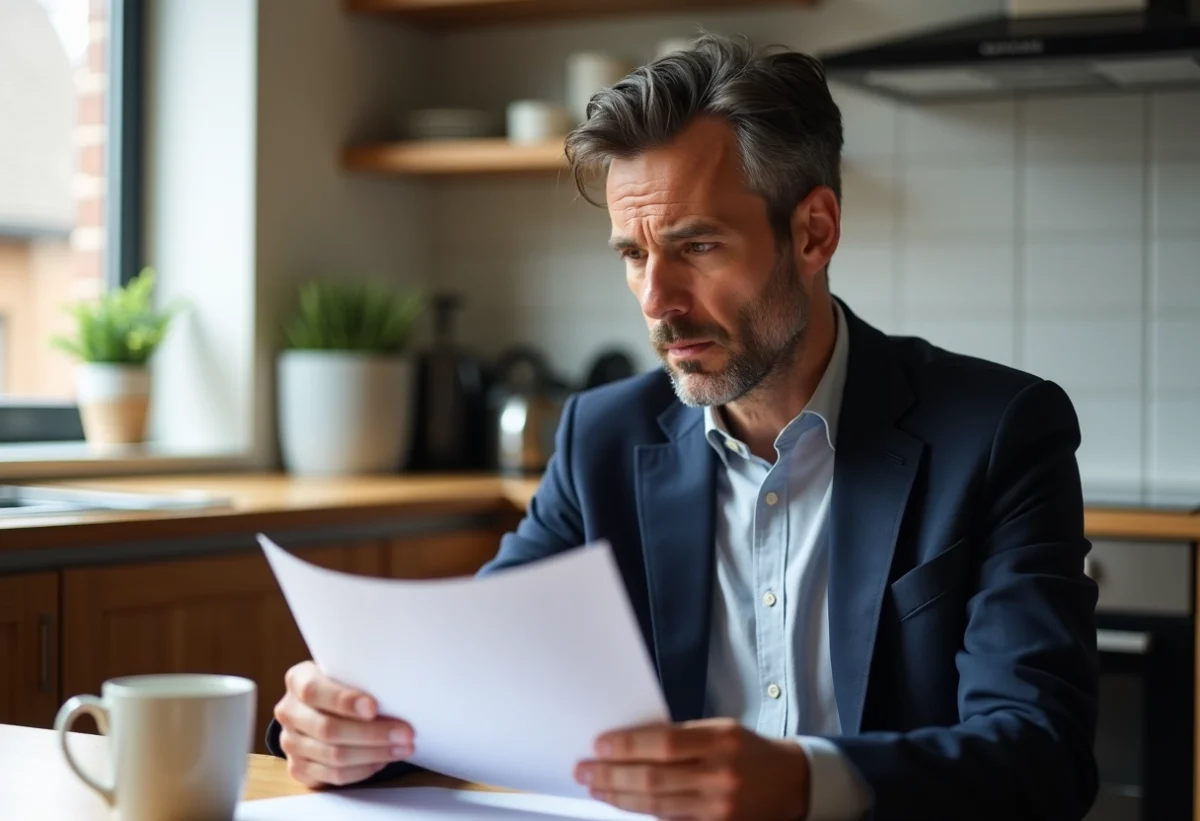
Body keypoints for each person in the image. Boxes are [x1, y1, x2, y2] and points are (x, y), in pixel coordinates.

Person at [266, 34, 1099, 821]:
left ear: (814, 231)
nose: (657, 301)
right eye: (633, 253)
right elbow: (477, 683)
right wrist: (344, 726)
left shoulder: (998, 433)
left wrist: (807, 782)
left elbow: (1042, 755)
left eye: (696, 245)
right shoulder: (601, 437)